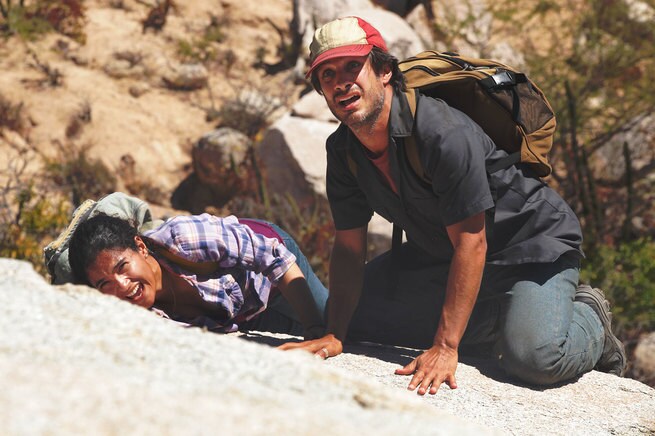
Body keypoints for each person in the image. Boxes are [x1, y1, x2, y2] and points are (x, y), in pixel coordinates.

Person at [280, 16, 627, 394]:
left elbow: (472, 242)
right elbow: (349, 247)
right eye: (327, 75)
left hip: (527, 247)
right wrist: (335, 334)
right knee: (352, 319)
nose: (342, 82)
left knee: (533, 359)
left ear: (383, 72)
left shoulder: (441, 133)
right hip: (441, 253)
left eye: (353, 66)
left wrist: (446, 346)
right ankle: (497, 316)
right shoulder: (344, 151)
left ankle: (590, 316)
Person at [68, 212, 327, 339]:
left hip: (275, 272)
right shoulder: (142, 317)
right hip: (245, 312)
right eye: (105, 284)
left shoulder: (182, 238)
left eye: (122, 267)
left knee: (337, 324)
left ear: (141, 246)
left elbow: (271, 256)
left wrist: (316, 331)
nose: (121, 286)